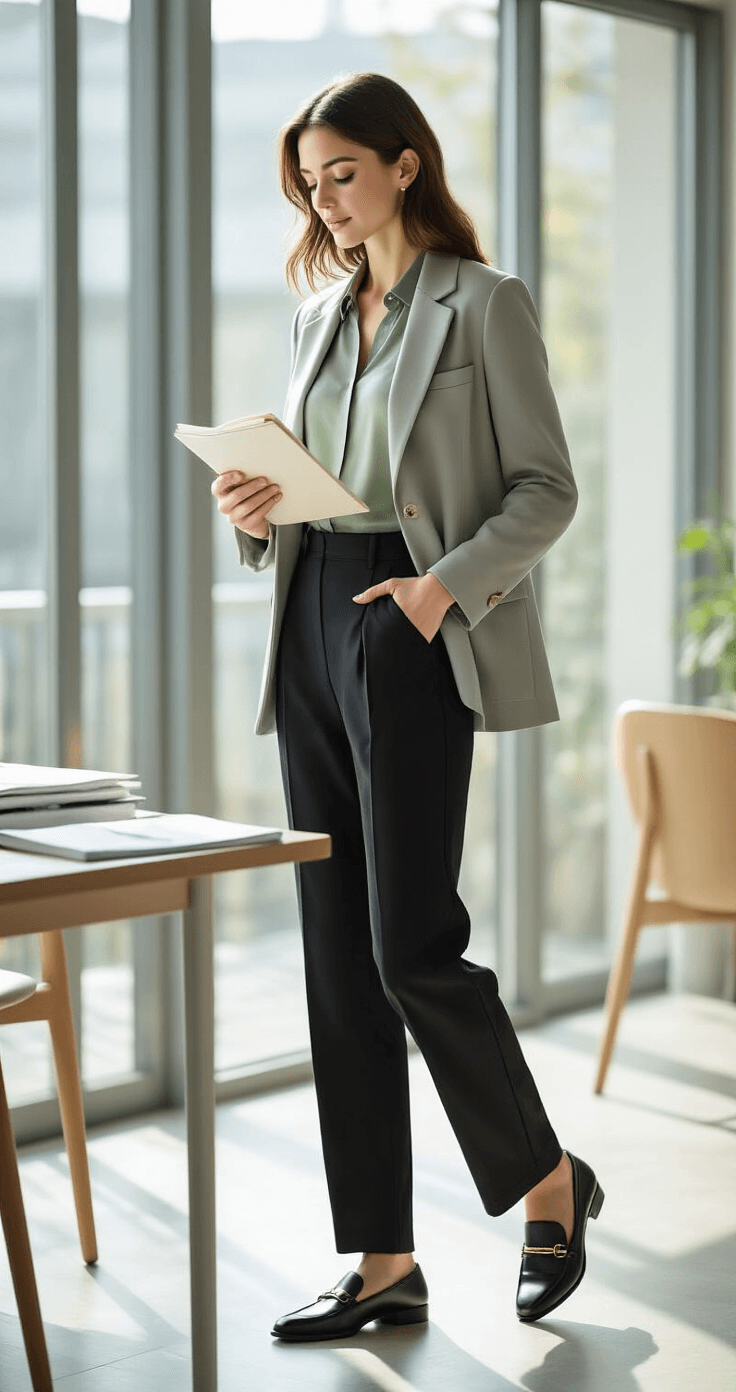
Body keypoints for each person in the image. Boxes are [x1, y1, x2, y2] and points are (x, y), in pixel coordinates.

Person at [211, 71, 604, 1342]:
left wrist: (438, 594)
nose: (323, 201)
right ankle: (383, 1260)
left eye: (340, 173)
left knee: (408, 944)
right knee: (336, 955)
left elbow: (544, 489)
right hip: (311, 616)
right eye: (307, 182)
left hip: (412, 625)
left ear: (403, 166)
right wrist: (255, 516)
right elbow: (320, 483)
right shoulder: (320, 313)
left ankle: (547, 1184)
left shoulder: (483, 304)